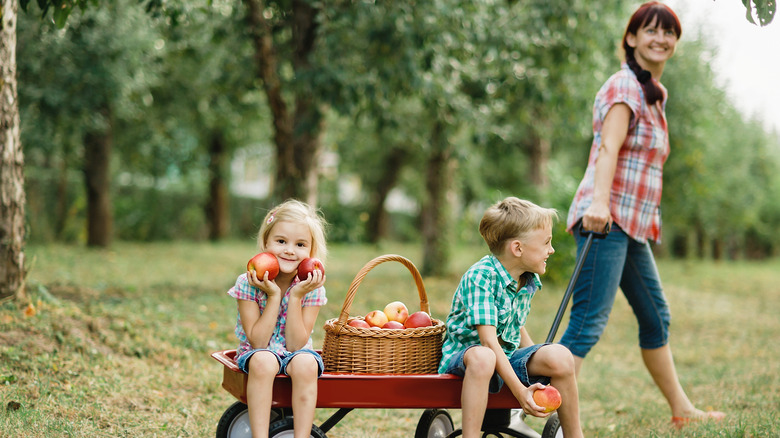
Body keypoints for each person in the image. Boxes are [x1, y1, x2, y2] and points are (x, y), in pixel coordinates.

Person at [559, 1, 725, 428]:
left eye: (669, 32)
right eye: (651, 30)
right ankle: (537, 412)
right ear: (631, 38)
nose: (661, 38)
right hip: (605, 220)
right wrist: (599, 204)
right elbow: (609, 148)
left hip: (631, 226)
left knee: (655, 316)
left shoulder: (653, 94)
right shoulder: (624, 87)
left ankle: (682, 411)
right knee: (587, 324)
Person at [439, 197, 584, 438]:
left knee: (560, 355)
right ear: (517, 249)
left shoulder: (526, 278)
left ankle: (575, 436)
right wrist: (521, 391)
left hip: (503, 357)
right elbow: (488, 342)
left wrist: (539, 359)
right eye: (546, 243)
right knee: (484, 357)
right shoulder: (481, 277)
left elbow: (516, 327)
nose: (552, 249)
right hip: (467, 359)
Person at [227, 199, 328, 438]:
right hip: (257, 351)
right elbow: (258, 343)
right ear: (265, 242)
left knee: (307, 364)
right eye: (281, 241)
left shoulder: (311, 286)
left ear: (311, 251)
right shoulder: (249, 282)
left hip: (296, 352)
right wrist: (273, 296)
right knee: (264, 360)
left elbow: (295, 345)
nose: (290, 250)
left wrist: (295, 297)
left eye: (300, 244)